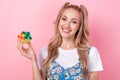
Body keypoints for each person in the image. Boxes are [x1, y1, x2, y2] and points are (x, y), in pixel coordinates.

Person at [17, 2, 103, 80]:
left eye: (73, 22)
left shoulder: (90, 52)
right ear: (58, 21)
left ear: (79, 27)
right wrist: (33, 59)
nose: (66, 25)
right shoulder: (45, 51)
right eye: (64, 19)